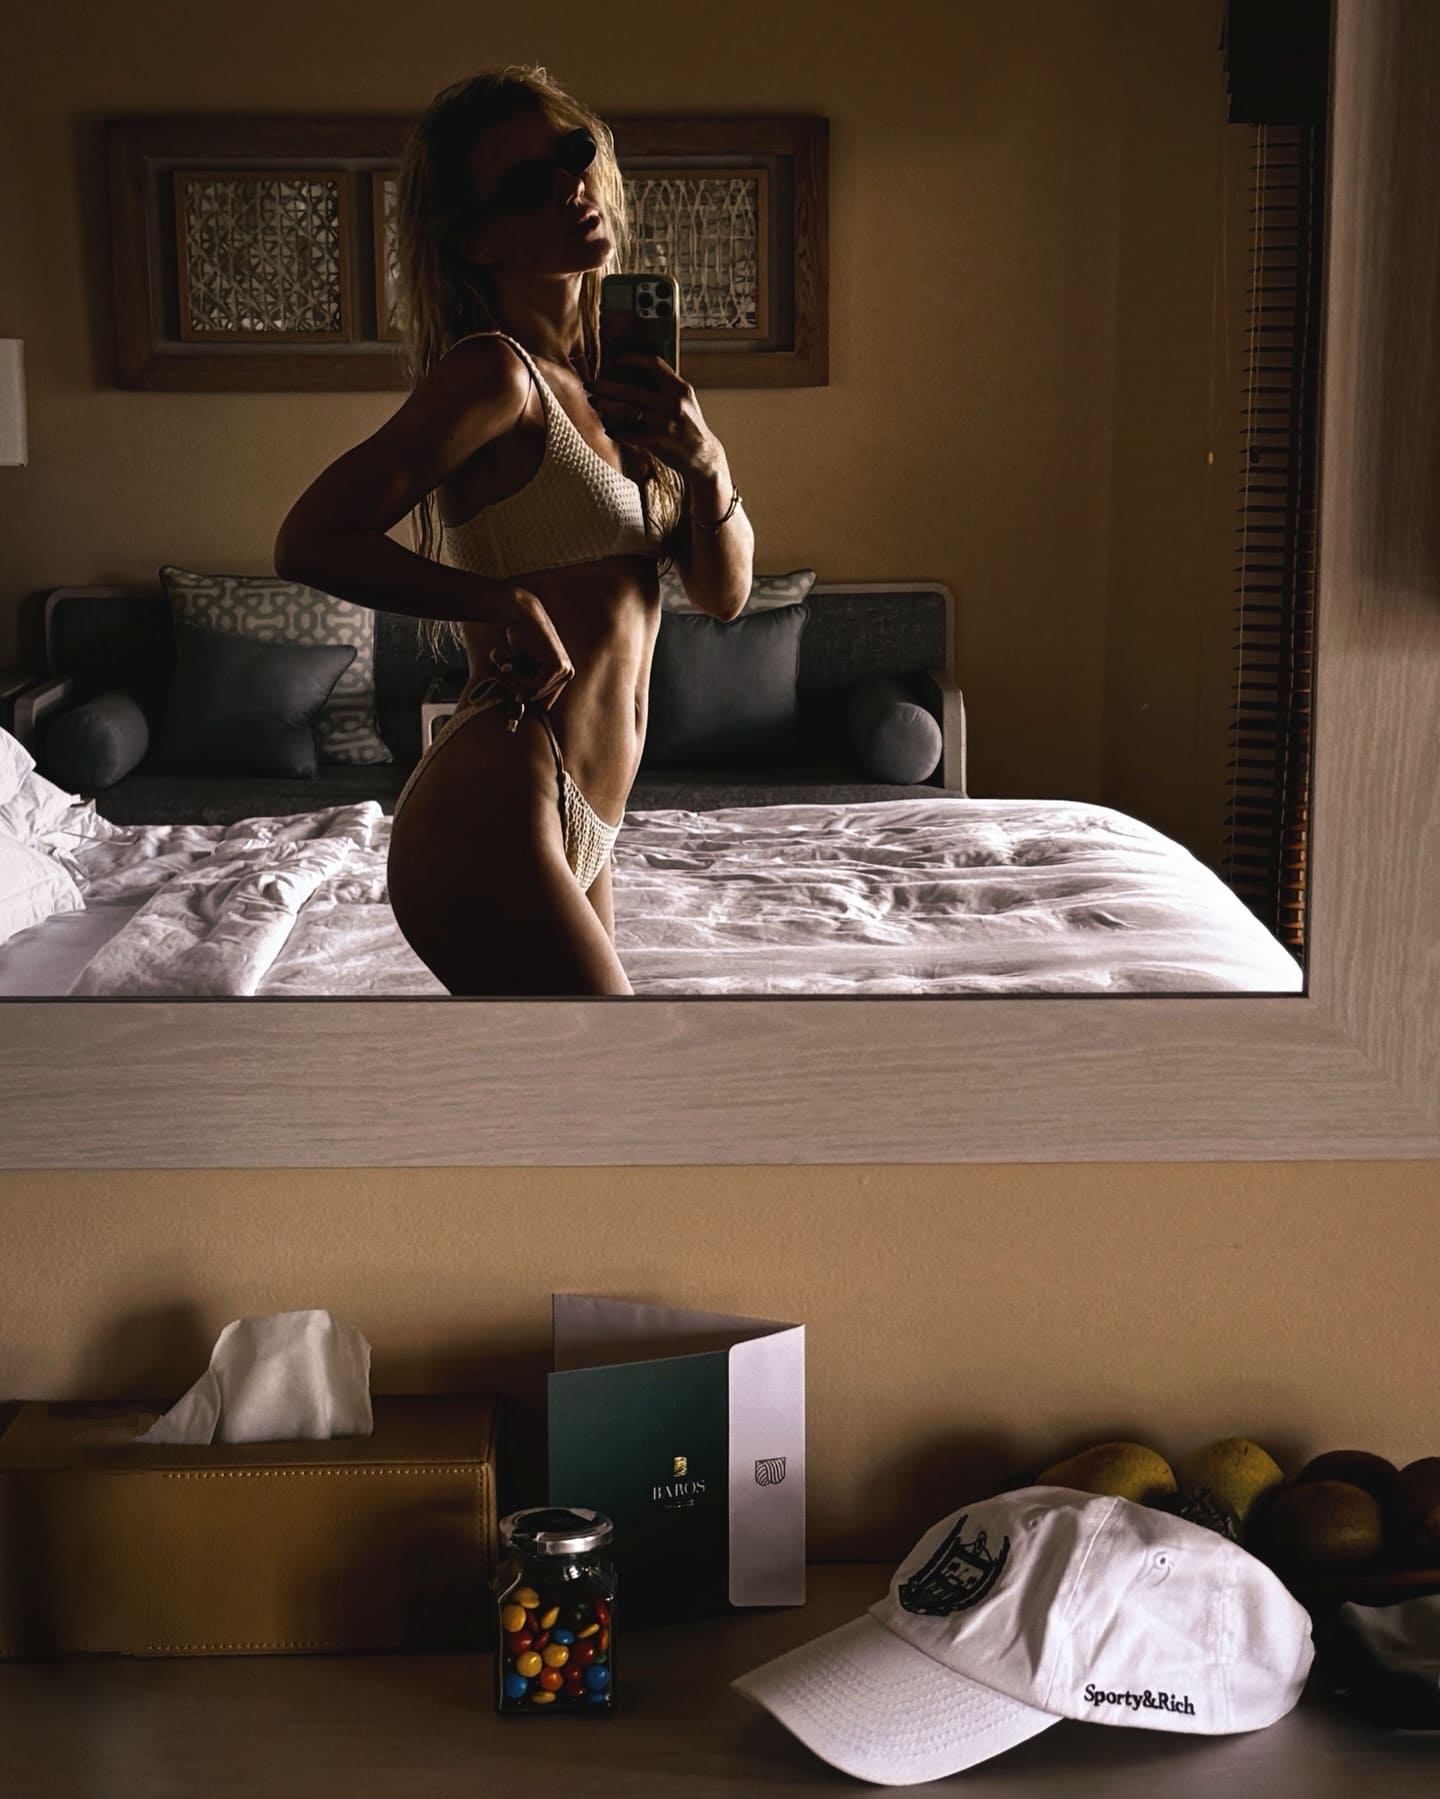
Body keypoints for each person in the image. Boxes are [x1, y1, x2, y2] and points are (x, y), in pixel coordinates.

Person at [273, 65, 754, 994]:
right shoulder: (496, 376)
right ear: (478, 240)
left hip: (589, 816)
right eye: (530, 183)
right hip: (496, 796)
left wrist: (707, 464)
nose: (572, 185)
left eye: (574, 155)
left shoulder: (621, 389)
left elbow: (725, 594)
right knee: (620, 1072)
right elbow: (308, 539)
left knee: (567, 1087)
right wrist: (500, 601)